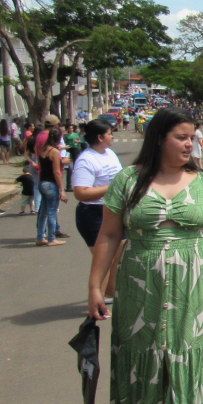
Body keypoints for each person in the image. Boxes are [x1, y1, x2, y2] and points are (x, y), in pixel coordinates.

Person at [87, 107, 203, 404]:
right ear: (159, 138)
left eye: (193, 137)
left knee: (185, 351)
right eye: (182, 137)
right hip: (139, 285)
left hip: (193, 284)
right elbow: (109, 234)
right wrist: (95, 285)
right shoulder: (128, 181)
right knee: (144, 349)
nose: (190, 144)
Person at [72, 119, 124, 299]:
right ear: (100, 137)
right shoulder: (86, 160)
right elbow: (80, 193)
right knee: (104, 261)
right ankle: (97, 301)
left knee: (121, 256)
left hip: (114, 210)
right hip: (93, 214)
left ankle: (111, 295)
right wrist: (113, 187)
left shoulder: (109, 153)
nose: (112, 137)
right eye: (110, 133)